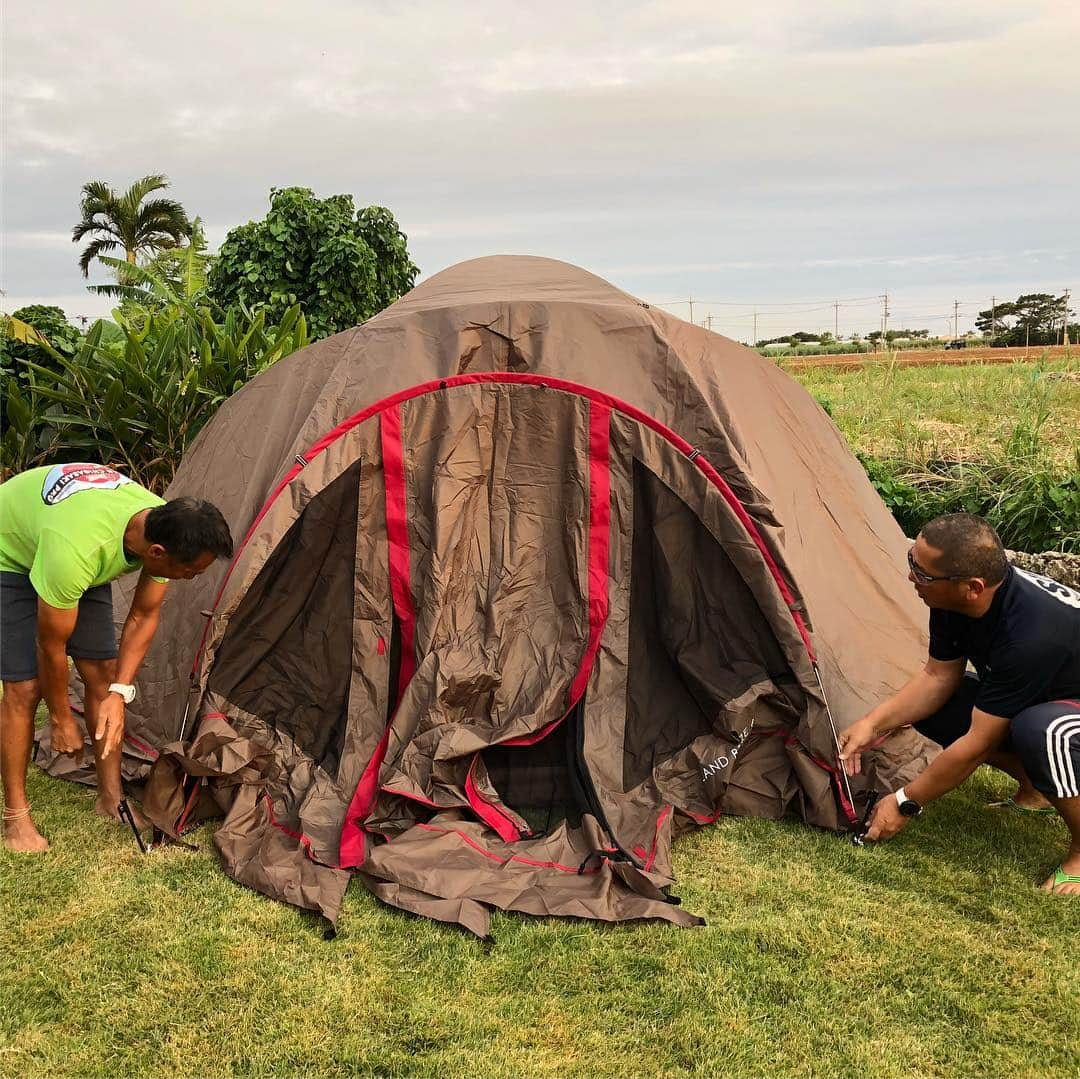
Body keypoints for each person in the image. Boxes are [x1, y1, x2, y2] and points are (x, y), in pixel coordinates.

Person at [839, 513, 1080, 896]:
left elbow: (978, 743)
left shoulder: (1031, 634)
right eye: (912, 563)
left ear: (972, 587)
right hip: (1050, 691)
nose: (911, 578)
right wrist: (874, 722)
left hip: (1065, 709)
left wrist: (905, 801)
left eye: (922, 573)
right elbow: (938, 678)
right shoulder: (953, 599)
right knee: (946, 705)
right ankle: (1035, 790)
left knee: (1042, 730)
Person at [1, 463, 232, 852]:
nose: (193, 578)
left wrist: (119, 692)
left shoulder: (163, 523)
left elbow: (143, 614)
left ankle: (111, 799)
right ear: (157, 554)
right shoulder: (75, 550)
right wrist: (60, 718)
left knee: (104, 675)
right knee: (24, 687)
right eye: (191, 572)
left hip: (80, 552)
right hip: (12, 554)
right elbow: (50, 647)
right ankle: (16, 818)